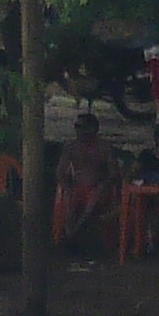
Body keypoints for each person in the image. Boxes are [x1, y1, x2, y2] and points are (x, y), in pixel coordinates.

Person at [52, 111, 123, 260]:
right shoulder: (71, 147)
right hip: (76, 186)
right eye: (76, 126)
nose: (77, 130)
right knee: (69, 202)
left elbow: (114, 172)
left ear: (93, 129)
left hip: (97, 187)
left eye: (81, 126)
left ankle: (72, 234)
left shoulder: (103, 147)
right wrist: (66, 185)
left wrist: (104, 184)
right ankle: (71, 234)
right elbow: (60, 171)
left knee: (93, 200)